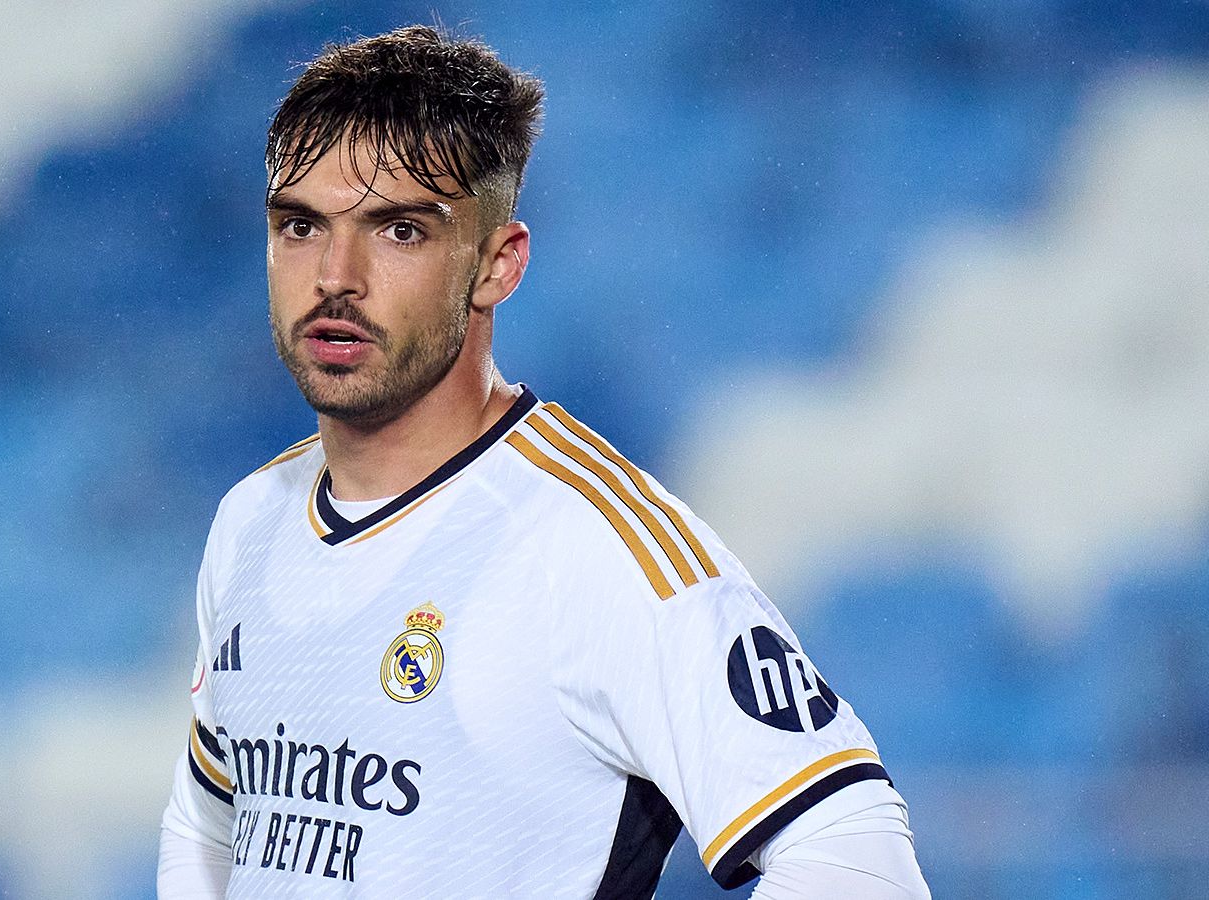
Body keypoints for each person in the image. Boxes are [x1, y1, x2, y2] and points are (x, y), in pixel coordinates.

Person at [158, 25, 929, 899]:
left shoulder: (592, 547)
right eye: (300, 225)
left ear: (497, 265)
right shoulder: (250, 520)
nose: (336, 275)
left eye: (399, 230)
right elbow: (207, 820)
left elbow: (858, 855)